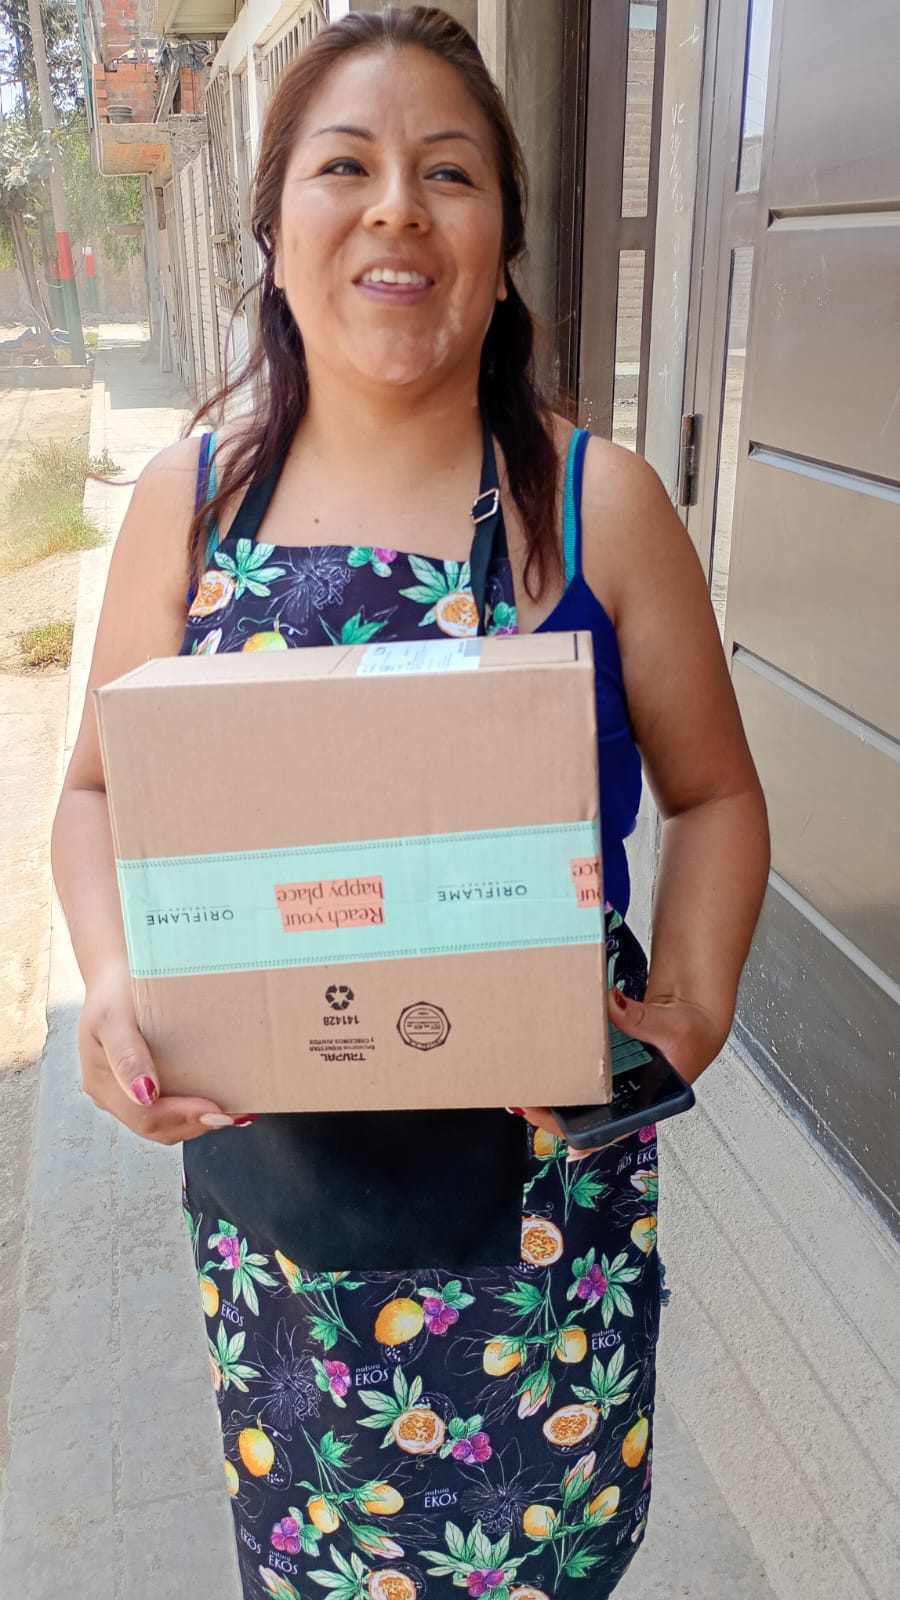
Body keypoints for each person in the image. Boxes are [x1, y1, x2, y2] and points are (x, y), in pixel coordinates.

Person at [52, 8, 769, 1597]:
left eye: (449, 171)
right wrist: (109, 983)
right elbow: (94, 788)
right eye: (345, 167)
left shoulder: (594, 505)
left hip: (540, 1225)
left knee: (538, 1562)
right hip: (280, 1225)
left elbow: (716, 793)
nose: (397, 207)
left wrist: (696, 1000)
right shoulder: (191, 503)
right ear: (273, 229)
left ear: (503, 246)